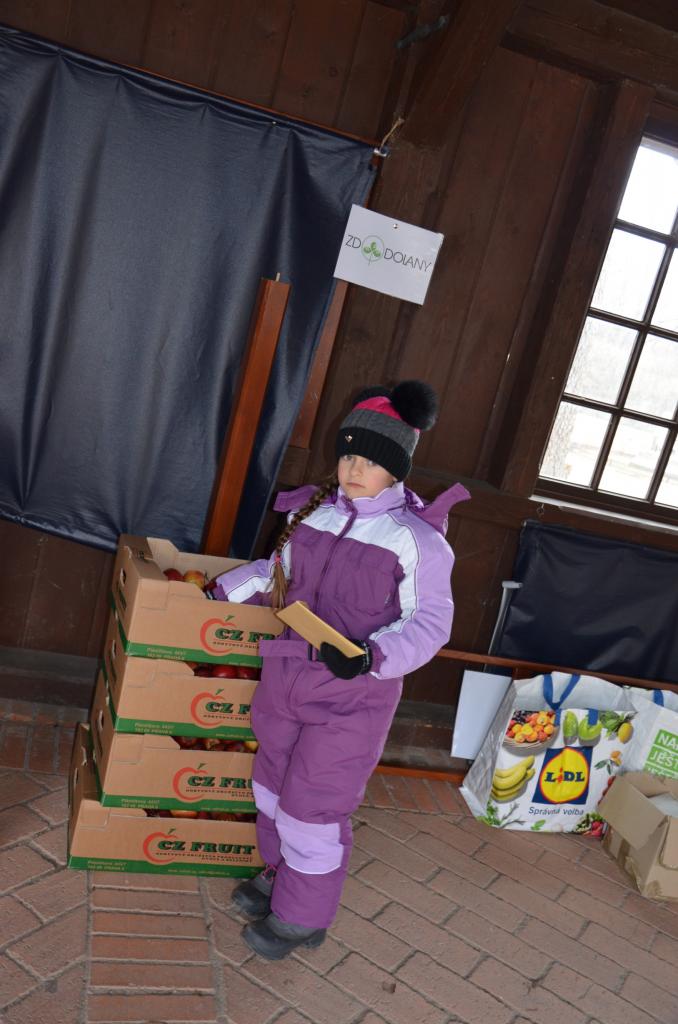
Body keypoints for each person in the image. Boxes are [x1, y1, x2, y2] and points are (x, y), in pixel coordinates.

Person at [212, 380, 469, 960]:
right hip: (285, 683)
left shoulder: (417, 542)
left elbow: (430, 623)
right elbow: (274, 575)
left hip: (352, 700)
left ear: (396, 469)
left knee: (313, 806)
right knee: (271, 790)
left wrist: (373, 656)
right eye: (349, 455)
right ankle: (281, 875)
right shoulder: (316, 517)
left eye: (371, 461)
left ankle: (301, 917)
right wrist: (217, 593)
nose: (355, 469)